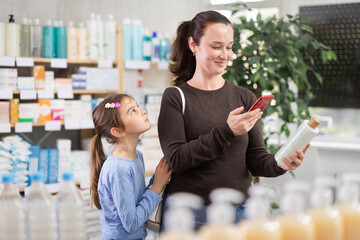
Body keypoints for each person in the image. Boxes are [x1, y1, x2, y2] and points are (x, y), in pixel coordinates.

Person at [157, 10, 309, 230]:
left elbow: (255, 159)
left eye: (229, 47)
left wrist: (280, 162)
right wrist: (226, 131)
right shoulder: (176, 97)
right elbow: (177, 160)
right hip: (190, 215)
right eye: (216, 46)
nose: (225, 54)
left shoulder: (244, 97)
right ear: (193, 45)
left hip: (240, 213)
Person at [90, 93, 172, 240]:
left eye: (137, 107)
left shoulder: (137, 156)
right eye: (132, 111)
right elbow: (131, 223)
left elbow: (137, 203)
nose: (143, 111)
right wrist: (156, 187)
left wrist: (157, 179)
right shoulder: (118, 168)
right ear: (117, 131)